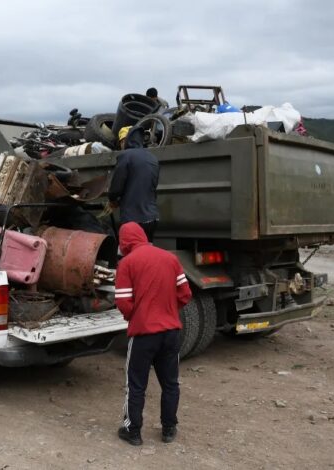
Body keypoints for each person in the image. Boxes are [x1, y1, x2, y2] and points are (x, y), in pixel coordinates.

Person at [114, 222, 192, 446]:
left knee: (136, 384)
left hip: (143, 334)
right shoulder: (169, 258)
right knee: (170, 383)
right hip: (171, 332)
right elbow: (185, 293)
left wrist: (135, 316)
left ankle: (133, 432)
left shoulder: (127, 263)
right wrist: (168, 310)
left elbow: (123, 302)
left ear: (124, 242)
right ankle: (169, 429)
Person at [108, 126, 159, 242]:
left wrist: (112, 200)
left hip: (134, 219)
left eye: (121, 142)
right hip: (152, 218)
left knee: (126, 254)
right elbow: (152, 186)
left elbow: (117, 186)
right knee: (146, 251)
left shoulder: (125, 156)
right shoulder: (153, 158)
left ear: (126, 140)